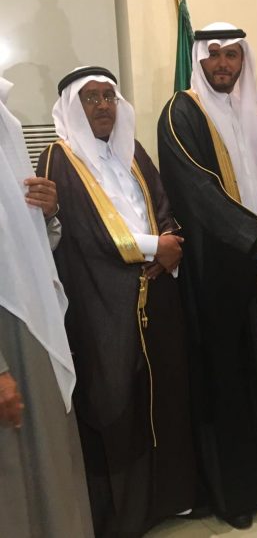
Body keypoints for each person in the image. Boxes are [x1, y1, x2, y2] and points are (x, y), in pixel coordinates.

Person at [158, 22, 257, 530]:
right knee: (228, 376)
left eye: (233, 55)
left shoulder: (253, 109)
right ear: (200, 59)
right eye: (215, 54)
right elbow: (197, 192)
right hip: (217, 269)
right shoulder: (181, 112)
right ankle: (238, 491)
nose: (224, 64)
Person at [37, 66, 195, 538]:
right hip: (100, 303)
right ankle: (124, 517)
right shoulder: (58, 158)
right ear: (72, 107)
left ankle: (167, 499)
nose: (103, 106)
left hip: (155, 294)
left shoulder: (132, 150)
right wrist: (154, 248)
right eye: (91, 98)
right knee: (113, 401)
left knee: (160, 392)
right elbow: (82, 232)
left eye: (109, 97)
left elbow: (163, 206)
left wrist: (171, 244)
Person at [0, 75, 93, 537]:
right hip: (9, 340)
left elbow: (33, 248)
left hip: (36, 325)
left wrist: (49, 212)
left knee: (50, 459)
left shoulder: (9, 127)